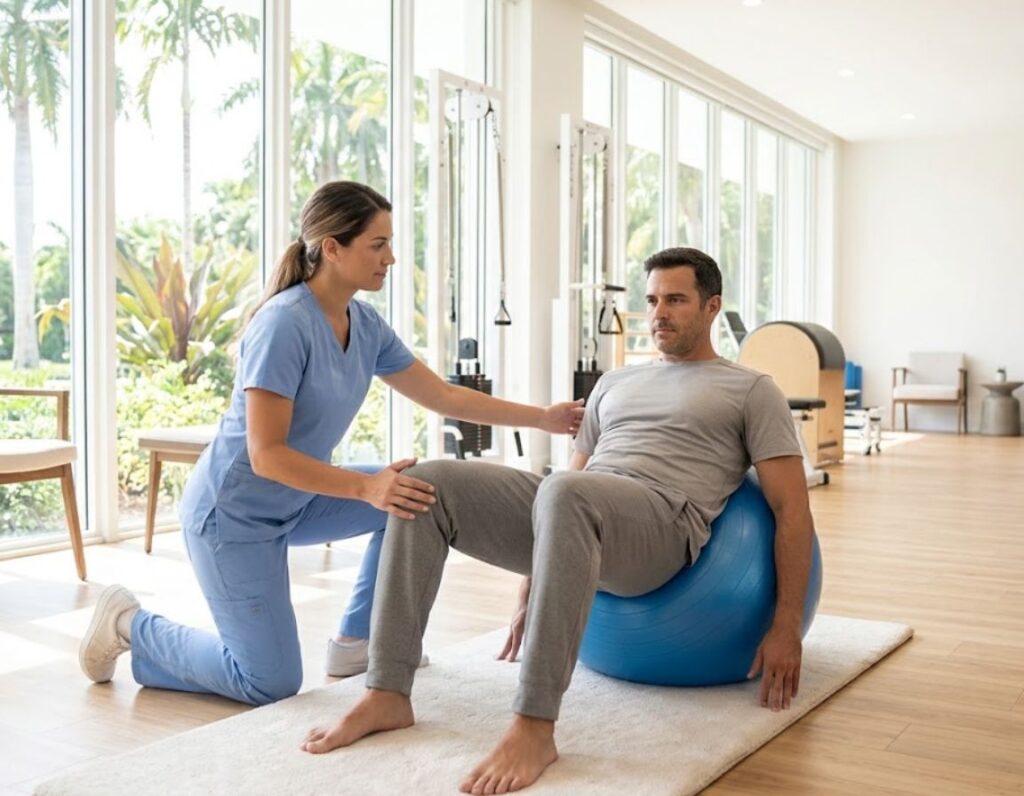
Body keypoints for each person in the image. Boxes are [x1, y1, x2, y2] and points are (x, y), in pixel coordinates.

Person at [301, 247, 816, 794]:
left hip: (661, 528)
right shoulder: (615, 384)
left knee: (569, 491)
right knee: (424, 482)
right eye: (652, 300)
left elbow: (792, 510)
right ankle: (386, 691)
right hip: (584, 507)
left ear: (712, 307)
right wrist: (532, 586)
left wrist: (785, 627)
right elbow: (565, 484)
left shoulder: (751, 390)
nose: (659, 312)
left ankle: (534, 724)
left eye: (676, 300)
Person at [78, 180, 584, 707]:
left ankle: (356, 642)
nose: (390, 258)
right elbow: (266, 454)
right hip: (233, 516)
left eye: (390, 243)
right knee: (267, 683)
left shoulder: (363, 322)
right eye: (377, 244)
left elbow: (441, 394)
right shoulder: (283, 325)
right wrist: (365, 488)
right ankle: (130, 624)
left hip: (299, 500)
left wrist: (543, 418)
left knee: (411, 494)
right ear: (333, 248)